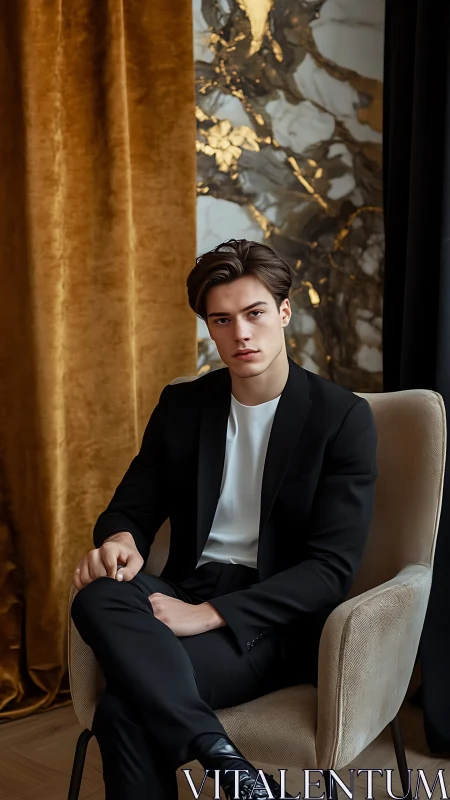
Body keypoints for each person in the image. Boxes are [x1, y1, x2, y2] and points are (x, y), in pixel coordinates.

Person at [70, 239, 378, 800]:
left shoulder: (342, 419)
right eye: (222, 319)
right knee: (96, 592)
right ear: (209, 328)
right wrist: (121, 540)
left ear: (283, 312)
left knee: (124, 710)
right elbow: (131, 507)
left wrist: (208, 615)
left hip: (270, 620)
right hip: (183, 588)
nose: (241, 333)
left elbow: (330, 571)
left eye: (255, 313)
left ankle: (222, 764)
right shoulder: (185, 406)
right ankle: (229, 766)